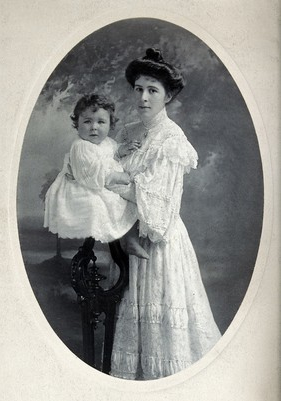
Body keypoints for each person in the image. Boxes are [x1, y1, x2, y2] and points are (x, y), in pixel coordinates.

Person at [109, 48, 221, 380]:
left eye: (152, 90)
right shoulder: (128, 133)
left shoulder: (173, 140)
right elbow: (111, 176)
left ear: (167, 95)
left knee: (169, 338)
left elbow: (156, 205)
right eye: (138, 88)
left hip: (160, 244)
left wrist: (110, 182)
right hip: (129, 238)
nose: (143, 97)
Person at [43, 93, 148, 259]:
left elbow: (112, 151)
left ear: (110, 125)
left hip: (100, 185)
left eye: (101, 122)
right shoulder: (81, 146)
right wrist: (119, 176)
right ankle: (128, 241)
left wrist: (121, 150)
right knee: (108, 205)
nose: (94, 127)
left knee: (132, 204)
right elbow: (92, 172)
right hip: (83, 188)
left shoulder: (106, 142)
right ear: (77, 124)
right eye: (87, 121)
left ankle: (130, 240)